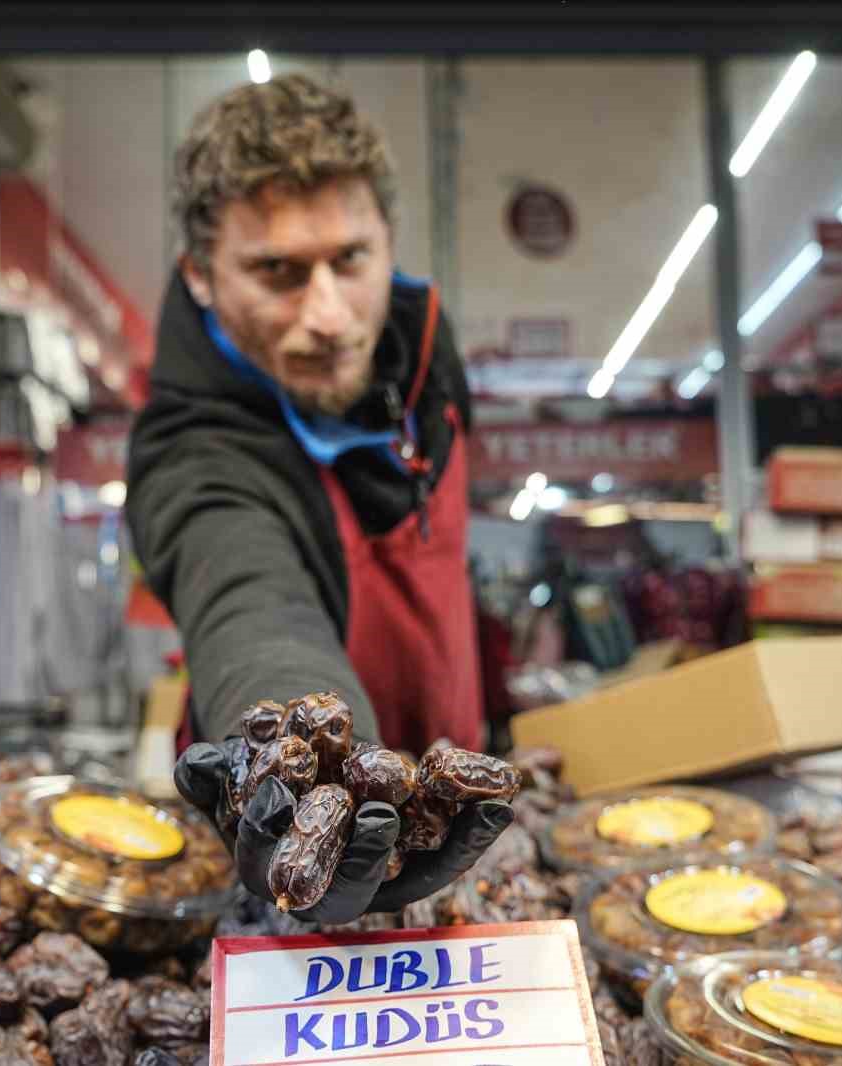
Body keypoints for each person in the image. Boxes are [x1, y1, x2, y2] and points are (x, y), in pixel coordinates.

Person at [125, 74, 507, 922]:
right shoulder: (194, 448)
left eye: (350, 260)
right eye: (279, 273)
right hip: (292, 859)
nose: (329, 315)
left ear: (388, 240)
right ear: (200, 275)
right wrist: (313, 778)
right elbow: (248, 601)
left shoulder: (430, 370)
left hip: (458, 844)